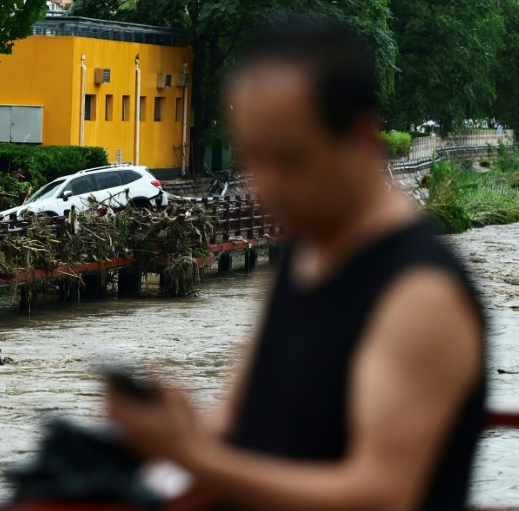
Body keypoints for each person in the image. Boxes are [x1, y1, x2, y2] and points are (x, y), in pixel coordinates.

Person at [106, 18, 484, 511]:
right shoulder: (304, 258)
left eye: (289, 158)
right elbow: (238, 420)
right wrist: (174, 429)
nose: (265, 186)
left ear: (359, 136)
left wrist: (192, 455)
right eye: (253, 158)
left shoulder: (421, 295)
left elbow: (383, 495)